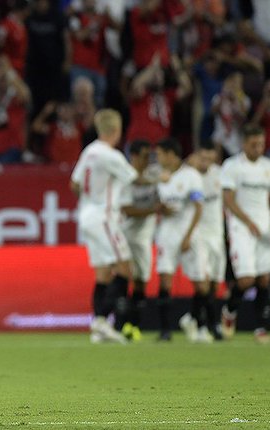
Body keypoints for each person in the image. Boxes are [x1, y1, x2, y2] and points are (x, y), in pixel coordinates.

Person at [70, 109, 137, 344]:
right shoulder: (111, 155)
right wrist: (162, 178)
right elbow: (134, 178)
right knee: (125, 268)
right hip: (104, 218)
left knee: (103, 273)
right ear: (116, 131)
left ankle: (98, 327)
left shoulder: (89, 151)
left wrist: (90, 198)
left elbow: (74, 184)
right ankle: (103, 321)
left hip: (87, 216)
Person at [220, 123, 270, 344]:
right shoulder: (232, 166)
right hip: (241, 227)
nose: (258, 148)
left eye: (261, 144)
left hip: (264, 227)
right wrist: (247, 221)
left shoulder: (269, 167)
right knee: (247, 279)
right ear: (244, 144)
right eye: (254, 144)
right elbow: (228, 200)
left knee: (264, 278)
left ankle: (261, 329)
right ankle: (229, 312)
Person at [155, 138, 211, 343]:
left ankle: (200, 325)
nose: (158, 158)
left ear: (171, 154)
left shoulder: (191, 176)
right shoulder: (160, 177)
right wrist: (160, 208)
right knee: (165, 279)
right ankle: (165, 331)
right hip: (167, 232)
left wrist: (188, 236)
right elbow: (158, 202)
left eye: (160, 154)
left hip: (189, 233)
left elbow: (198, 207)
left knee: (200, 283)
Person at [119, 140, 167, 341]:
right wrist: (153, 210)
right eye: (145, 156)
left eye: (151, 156)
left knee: (141, 282)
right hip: (124, 234)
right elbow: (127, 210)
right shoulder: (123, 176)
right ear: (134, 156)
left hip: (144, 238)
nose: (149, 160)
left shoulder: (154, 173)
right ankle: (117, 324)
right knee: (122, 279)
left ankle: (133, 325)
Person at [187, 141, 226, 340]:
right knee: (203, 282)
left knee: (214, 285)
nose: (205, 162)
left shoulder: (220, 174)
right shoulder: (188, 177)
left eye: (209, 159)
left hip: (217, 234)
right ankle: (209, 325)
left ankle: (194, 318)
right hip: (198, 235)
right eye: (202, 158)